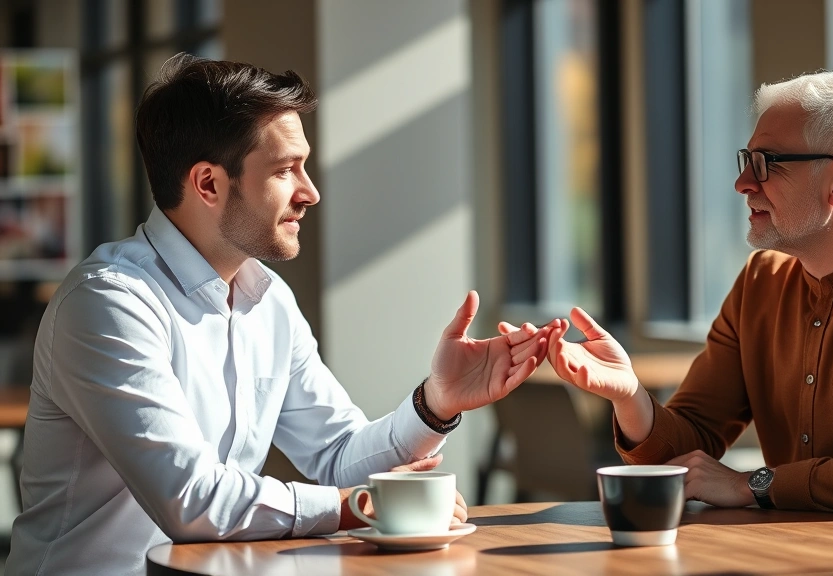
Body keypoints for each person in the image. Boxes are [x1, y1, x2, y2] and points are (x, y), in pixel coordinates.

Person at [9, 54, 552, 576]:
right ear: (209, 184)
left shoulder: (268, 300)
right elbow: (191, 499)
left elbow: (339, 457)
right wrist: (354, 507)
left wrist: (436, 404)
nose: (310, 192)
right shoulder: (110, 303)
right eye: (286, 170)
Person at [528, 71, 833, 527]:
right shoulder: (762, 280)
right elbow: (688, 450)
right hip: (804, 557)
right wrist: (629, 396)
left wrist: (753, 484)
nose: (743, 184)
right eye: (746, 161)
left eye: (766, 164)